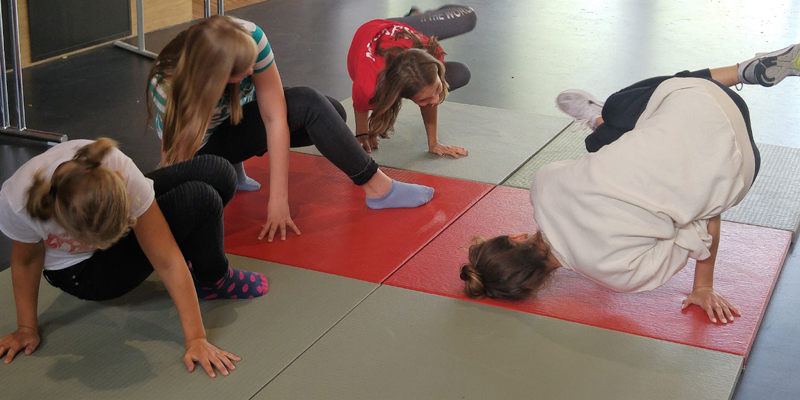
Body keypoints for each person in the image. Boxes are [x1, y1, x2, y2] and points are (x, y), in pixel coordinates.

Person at [460, 43, 800, 324]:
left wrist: (703, 286)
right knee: (611, 123)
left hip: (742, 167)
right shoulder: (544, 186)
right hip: (706, 98)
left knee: (672, 188)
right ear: (516, 237)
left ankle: (600, 121)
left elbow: (703, 226)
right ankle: (739, 72)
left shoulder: (621, 277)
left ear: (536, 284)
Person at [148, 16, 434, 243]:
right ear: (218, 74)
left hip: (234, 121)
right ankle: (379, 188)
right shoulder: (168, 84)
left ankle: (235, 166)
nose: (252, 71)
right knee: (310, 104)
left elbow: (274, 117)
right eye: (243, 70)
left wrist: (278, 200)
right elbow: (178, 160)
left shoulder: (249, 36)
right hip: (204, 147)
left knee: (331, 112)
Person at [0, 138, 266, 377]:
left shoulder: (115, 165)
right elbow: (26, 261)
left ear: (117, 179)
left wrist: (197, 338)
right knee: (201, 199)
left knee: (218, 173)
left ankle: (204, 272)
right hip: (82, 271)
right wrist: (26, 328)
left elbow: (165, 258)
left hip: (107, 215)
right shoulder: (19, 204)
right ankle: (213, 280)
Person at [348, 5, 477, 157]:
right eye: (423, 99)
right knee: (460, 73)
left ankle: (414, 17)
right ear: (399, 92)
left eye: (436, 89)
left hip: (402, 32)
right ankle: (415, 18)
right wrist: (362, 134)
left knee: (468, 17)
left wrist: (433, 142)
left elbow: (428, 89)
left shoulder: (432, 49)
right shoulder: (369, 87)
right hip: (376, 32)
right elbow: (360, 106)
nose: (436, 100)